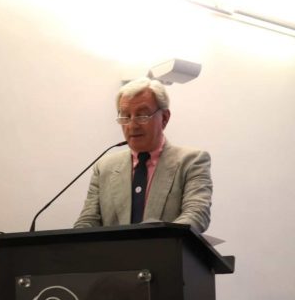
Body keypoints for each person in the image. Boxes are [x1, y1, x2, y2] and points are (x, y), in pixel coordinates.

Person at [74, 77, 212, 233]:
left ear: (164, 118)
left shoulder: (192, 162)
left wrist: (155, 242)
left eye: (142, 115)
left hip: (166, 248)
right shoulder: (104, 167)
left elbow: (196, 215)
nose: (132, 125)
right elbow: (87, 221)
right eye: (126, 116)